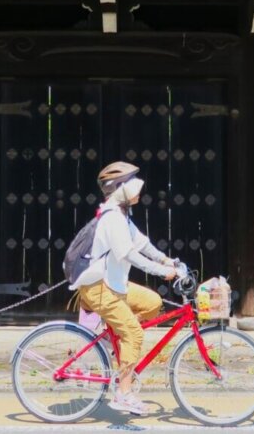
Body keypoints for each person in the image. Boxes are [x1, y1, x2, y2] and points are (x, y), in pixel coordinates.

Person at [70, 161, 178, 416]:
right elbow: (129, 254)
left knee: (152, 303)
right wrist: (162, 272)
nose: (139, 191)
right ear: (120, 189)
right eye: (134, 187)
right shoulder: (112, 219)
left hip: (115, 285)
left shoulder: (122, 216)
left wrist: (166, 260)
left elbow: (142, 244)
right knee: (134, 335)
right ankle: (124, 392)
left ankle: (110, 338)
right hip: (100, 289)